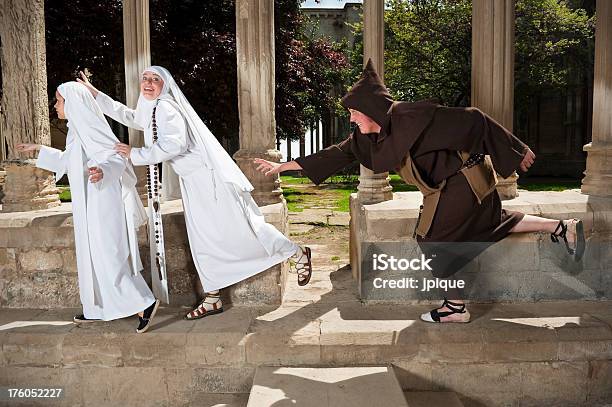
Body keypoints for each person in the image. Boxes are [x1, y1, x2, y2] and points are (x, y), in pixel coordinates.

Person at [254, 60, 585, 324]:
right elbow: (334, 154)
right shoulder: (366, 139)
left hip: (464, 181)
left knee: (432, 238)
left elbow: (475, 120)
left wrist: (513, 148)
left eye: (355, 112)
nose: (352, 119)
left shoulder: (415, 117)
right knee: (494, 221)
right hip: (443, 187)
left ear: (371, 110)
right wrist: (283, 167)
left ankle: (455, 307)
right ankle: (562, 227)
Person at [77, 67, 312, 320]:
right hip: (194, 182)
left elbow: (174, 145)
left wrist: (134, 154)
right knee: (202, 238)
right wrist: (96, 94)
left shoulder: (166, 108)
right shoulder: (153, 108)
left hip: (209, 181)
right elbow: (131, 117)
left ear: (164, 86)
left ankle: (296, 252)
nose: (148, 83)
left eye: (155, 79)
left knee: (245, 228)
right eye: (145, 79)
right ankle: (212, 298)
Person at [16, 82, 160, 333]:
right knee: (93, 256)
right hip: (87, 205)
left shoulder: (93, 130)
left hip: (103, 201)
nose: (56, 106)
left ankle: (143, 304)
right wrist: (39, 149)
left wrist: (102, 171)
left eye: (59, 101)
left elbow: (116, 158)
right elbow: (68, 161)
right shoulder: (76, 132)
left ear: (73, 103)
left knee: (108, 254)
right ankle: (99, 308)